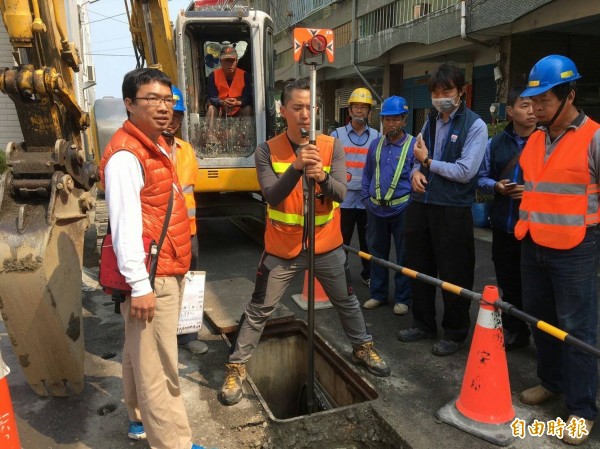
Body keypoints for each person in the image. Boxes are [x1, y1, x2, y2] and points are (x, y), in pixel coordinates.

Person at [219, 78, 390, 406]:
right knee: (259, 309)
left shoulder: (330, 146)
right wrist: (297, 168)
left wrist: (322, 177)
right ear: (283, 111)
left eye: (310, 107)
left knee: (347, 301)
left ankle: (362, 347)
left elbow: (341, 192)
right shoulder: (267, 150)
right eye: (296, 107)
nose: (304, 115)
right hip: (282, 249)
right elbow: (272, 196)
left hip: (326, 245)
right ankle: (236, 366)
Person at [99, 68, 207, 449]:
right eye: (152, 100)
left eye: (167, 100)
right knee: (161, 369)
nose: (163, 108)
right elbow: (125, 226)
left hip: (158, 269)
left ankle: (137, 419)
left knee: (137, 354)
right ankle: (174, 444)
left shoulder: (155, 144)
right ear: (129, 104)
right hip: (152, 276)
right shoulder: (127, 156)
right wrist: (141, 286)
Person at [514, 55, 600, 446]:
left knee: (579, 330)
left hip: (576, 249)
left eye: (544, 101)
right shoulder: (534, 139)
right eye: (533, 101)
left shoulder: (594, 138)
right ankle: (551, 382)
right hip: (534, 244)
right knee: (541, 320)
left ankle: (582, 410)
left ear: (569, 96)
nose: (536, 108)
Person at [398, 61, 488, 356]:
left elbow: (466, 171)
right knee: (419, 267)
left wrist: (427, 163)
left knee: (454, 273)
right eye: (436, 92)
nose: (441, 97)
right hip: (422, 204)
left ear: (462, 91)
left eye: (447, 90)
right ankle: (423, 324)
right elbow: (416, 156)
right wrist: (415, 171)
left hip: (452, 208)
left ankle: (455, 331)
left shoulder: (475, 125)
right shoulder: (430, 120)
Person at [477, 87, 536, 351]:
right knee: (508, 281)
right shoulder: (496, 143)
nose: (532, 110)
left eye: (535, 105)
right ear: (510, 112)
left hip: (536, 228)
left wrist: (533, 192)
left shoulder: (548, 142)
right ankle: (514, 331)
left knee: (537, 287)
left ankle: (542, 338)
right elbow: (481, 177)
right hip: (503, 225)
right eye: (525, 105)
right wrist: (496, 187)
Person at [163, 86, 209, 356]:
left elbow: (192, 188)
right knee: (162, 287)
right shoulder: (145, 150)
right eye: (168, 114)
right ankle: (164, 337)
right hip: (158, 235)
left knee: (189, 282)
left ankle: (188, 334)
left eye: (177, 116)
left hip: (188, 233)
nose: (172, 121)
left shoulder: (187, 149)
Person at [360, 96, 413, 315]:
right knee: (376, 253)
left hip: (402, 209)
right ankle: (378, 294)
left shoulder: (413, 145)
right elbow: (367, 174)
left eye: (395, 119)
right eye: (386, 120)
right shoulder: (376, 145)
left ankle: (403, 298)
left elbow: (419, 176)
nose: (390, 124)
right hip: (375, 209)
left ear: (404, 120)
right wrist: (366, 199)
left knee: (404, 255)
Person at [331, 88, 380, 289]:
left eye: (364, 107)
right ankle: (339, 276)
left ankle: (369, 275)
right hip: (343, 198)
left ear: (370, 112)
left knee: (369, 242)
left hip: (367, 199)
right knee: (340, 241)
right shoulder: (336, 135)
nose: (360, 111)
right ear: (349, 111)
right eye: (356, 107)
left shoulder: (378, 136)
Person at [206, 45, 252, 124]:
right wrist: (223, 102)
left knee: (247, 109)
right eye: (227, 60)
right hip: (221, 111)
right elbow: (212, 97)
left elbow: (248, 97)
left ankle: (248, 136)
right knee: (211, 109)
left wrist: (238, 103)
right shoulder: (213, 76)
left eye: (233, 60)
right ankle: (211, 136)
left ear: (237, 61)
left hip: (238, 110)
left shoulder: (245, 75)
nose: (230, 64)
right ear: (221, 61)